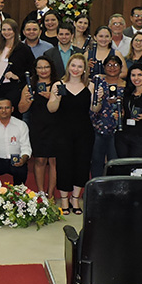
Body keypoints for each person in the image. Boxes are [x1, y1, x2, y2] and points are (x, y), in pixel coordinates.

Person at [47, 53, 94, 215]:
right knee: (64, 164)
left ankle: (75, 198)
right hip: (63, 131)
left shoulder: (90, 85)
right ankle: (64, 199)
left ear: (84, 69)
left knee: (82, 164)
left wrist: (99, 100)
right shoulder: (58, 84)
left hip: (84, 131)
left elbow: (95, 109)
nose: (76, 69)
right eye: (73, 65)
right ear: (68, 67)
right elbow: (51, 109)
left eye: (80, 66)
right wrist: (57, 98)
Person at [18, 57, 58, 197]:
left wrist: (51, 97)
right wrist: (28, 100)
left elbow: (66, 107)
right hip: (37, 126)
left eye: (46, 67)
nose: (43, 70)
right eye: (40, 67)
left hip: (56, 126)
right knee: (40, 160)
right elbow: (21, 109)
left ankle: (51, 193)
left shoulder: (58, 84)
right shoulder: (30, 85)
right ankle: (41, 192)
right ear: (35, 70)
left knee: (54, 160)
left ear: (51, 68)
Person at [0, 97, 32, 185]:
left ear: (12, 109)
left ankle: (19, 193)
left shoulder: (21, 125)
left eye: (7, 107)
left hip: (15, 159)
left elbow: (26, 146)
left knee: (21, 171)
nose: (4, 110)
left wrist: (23, 159)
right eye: (0, 108)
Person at [90, 54, 124, 177]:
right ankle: (96, 188)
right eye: (109, 65)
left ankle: (114, 190)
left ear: (121, 67)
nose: (112, 68)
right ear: (103, 67)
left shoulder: (126, 85)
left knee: (114, 161)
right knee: (96, 160)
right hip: (97, 126)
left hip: (117, 128)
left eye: (115, 65)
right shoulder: (98, 81)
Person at [0, 18, 34, 111]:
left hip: (14, 89)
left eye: (9, 29)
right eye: (4, 29)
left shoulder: (23, 49)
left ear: (15, 31)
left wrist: (17, 76)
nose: (6, 32)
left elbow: (32, 69)